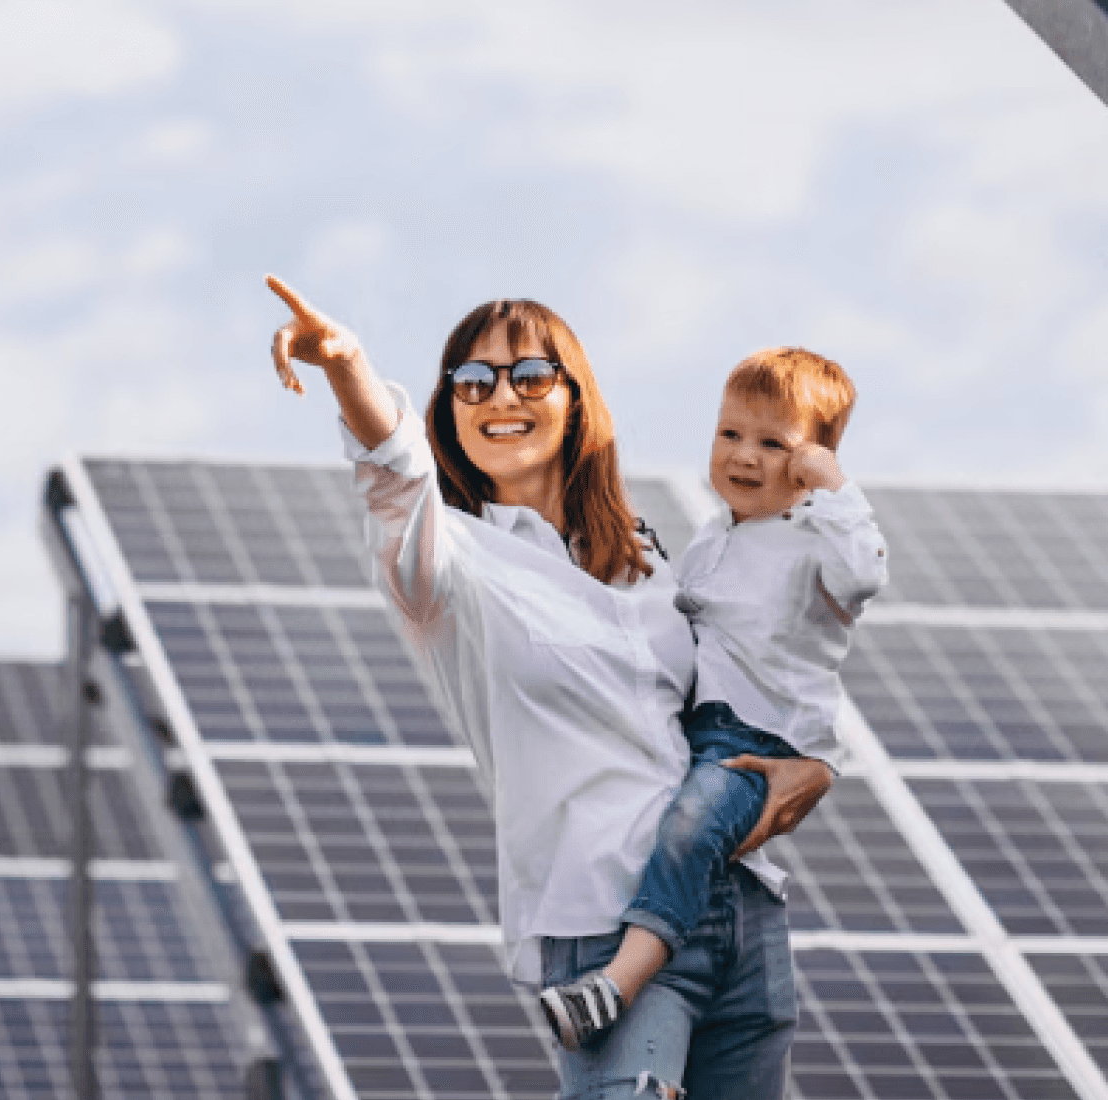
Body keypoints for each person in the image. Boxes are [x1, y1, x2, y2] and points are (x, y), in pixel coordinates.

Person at [266, 274, 834, 1099]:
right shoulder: (447, 564)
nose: (501, 396)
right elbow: (392, 475)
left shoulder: (649, 561)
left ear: (574, 398)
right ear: (449, 410)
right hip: (601, 918)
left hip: (736, 905)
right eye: (472, 381)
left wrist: (811, 766)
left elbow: (744, 692)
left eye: (529, 375)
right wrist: (347, 364)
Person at [539, 348, 888, 1052]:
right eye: (730, 434)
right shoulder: (712, 537)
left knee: (689, 828)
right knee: (652, 821)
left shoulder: (819, 540)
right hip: (698, 730)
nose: (744, 456)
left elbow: (862, 578)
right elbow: (675, 621)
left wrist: (834, 488)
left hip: (760, 744)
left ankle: (615, 985)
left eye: (773, 444)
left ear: (811, 460)